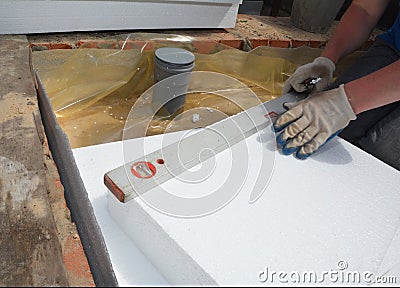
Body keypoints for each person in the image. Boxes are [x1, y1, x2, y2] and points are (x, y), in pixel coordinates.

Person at [273, 0, 400, 171]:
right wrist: (326, 61)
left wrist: (344, 101)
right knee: (336, 132)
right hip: (396, 48)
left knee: (382, 156)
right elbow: (365, 8)